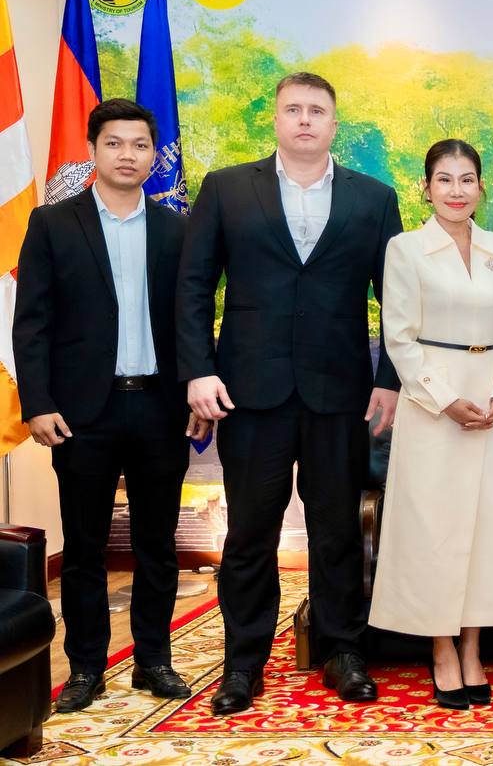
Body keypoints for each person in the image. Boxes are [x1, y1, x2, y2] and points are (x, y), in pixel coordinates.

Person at [177, 72, 402, 715]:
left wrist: (389, 378)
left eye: (317, 111)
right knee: (250, 533)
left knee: (337, 532)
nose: (305, 119)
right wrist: (198, 370)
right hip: (250, 392)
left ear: (334, 124)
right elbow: (193, 285)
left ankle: (342, 651)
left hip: (340, 392)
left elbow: (398, 299)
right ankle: (243, 663)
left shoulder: (373, 198)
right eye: (294, 109)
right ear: (275, 119)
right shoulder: (226, 189)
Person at [13, 98, 202, 711]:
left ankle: (154, 660)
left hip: (159, 406)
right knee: (85, 546)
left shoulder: (177, 229)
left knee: (157, 545)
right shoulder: (52, 224)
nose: (128, 155)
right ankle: (86, 667)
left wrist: (196, 389)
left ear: (154, 156)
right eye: (115, 143)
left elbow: (192, 321)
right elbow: (31, 323)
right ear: (93, 150)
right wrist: (37, 403)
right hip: (80, 413)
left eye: (140, 145)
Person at [367, 139, 493, 711]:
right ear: (426, 187)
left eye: (466, 179)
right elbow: (399, 338)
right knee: (434, 530)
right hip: (431, 407)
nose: (456, 191)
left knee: (486, 529)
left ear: (481, 187)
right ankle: (441, 649)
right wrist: (445, 399)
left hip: (491, 406)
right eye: (444, 179)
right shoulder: (405, 249)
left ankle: (473, 649)